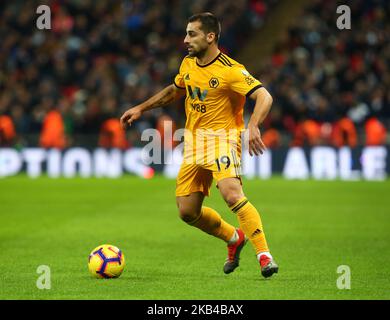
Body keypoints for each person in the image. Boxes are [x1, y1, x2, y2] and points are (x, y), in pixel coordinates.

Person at [120, 12, 278, 278]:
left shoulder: (231, 70)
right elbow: (174, 90)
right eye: (186, 33)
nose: (185, 40)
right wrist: (141, 108)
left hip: (223, 140)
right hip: (193, 143)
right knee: (187, 212)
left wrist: (253, 127)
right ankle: (233, 238)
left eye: (191, 34)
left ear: (210, 36)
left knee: (231, 193)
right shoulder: (188, 64)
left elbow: (264, 96)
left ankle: (264, 255)